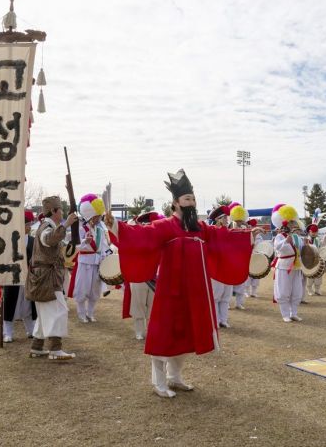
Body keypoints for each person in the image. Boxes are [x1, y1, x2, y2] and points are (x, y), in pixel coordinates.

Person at [106, 169, 261, 398]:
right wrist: (116, 226)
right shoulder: (165, 226)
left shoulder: (199, 228)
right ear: (175, 203)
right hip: (170, 290)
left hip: (194, 290)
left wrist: (247, 235)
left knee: (185, 334)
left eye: (193, 199)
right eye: (187, 199)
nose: (192, 202)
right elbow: (141, 235)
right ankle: (159, 382)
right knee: (164, 334)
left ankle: (175, 377)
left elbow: (221, 237)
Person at [25, 195, 78, 360]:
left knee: (44, 315)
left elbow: (58, 245)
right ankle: (55, 349)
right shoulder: (46, 228)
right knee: (58, 311)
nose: (62, 212)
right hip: (47, 279)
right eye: (60, 209)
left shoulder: (48, 226)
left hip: (45, 278)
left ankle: (37, 347)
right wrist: (67, 224)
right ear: (54, 211)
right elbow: (49, 240)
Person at [120, 210, 161, 340]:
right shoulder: (134, 239)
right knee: (138, 305)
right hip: (138, 276)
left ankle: (152, 331)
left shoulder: (158, 240)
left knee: (153, 306)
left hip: (154, 277)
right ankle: (139, 331)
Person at [70, 194, 109, 323]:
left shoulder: (100, 230)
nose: (99, 218)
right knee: (82, 289)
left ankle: (90, 313)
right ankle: (81, 314)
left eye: (99, 216)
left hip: (97, 263)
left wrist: (106, 258)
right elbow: (74, 247)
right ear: (91, 215)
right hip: (84, 263)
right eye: (97, 216)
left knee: (94, 290)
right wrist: (85, 242)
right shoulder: (81, 228)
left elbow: (103, 247)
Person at [0, 210, 38, 342]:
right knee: (10, 303)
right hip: (13, 276)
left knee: (29, 303)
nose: (29, 227)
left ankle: (31, 330)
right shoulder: (10, 239)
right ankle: (8, 332)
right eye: (27, 224)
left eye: (30, 224)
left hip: (29, 277)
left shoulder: (33, 240)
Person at [272, 204, 306, 322]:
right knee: (284, 290)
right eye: (291, 223)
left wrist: (307, 245)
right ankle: (285, 314)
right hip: (284, 266)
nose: (293, 225)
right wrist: (286, 241)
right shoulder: (280, 236)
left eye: (294, 222)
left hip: (296, 266)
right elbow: (277, 248)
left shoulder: (298, 237)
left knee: (297, 290)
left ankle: (294, 313)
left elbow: (303, 251)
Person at [208, 205, 234, 327]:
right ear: (218, 219)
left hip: (227, 268)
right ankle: (215, 320)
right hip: (215, 268)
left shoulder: (229, 232)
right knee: (216, 295)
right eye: (224, 218)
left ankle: (223, 319)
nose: (227, 220)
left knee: (226, 295)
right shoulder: (211, 231)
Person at [228, 203, 251, 310]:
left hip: (241, 258)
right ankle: (227, 303)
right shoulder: (229, 227)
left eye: (241, 220)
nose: (239, 222)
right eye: (238, 220)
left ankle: (239, 303)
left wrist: (247, 228)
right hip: (230, 259)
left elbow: (250, 242)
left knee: (241, 282)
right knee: (229, 282)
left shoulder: (245, 228)